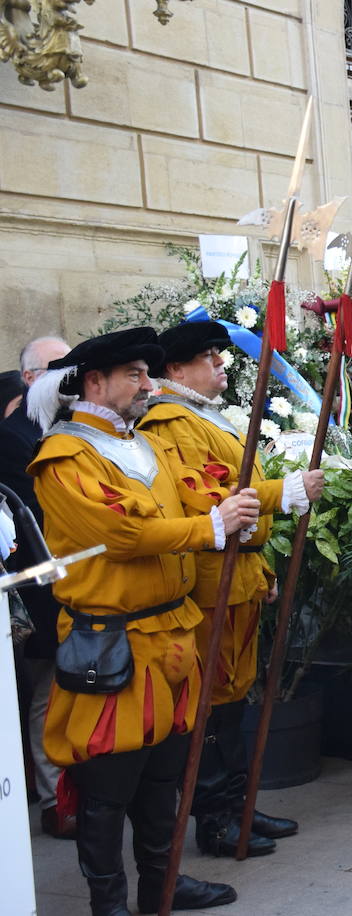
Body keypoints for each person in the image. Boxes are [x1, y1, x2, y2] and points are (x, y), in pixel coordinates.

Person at [26, 327, 257, 915]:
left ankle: (163, 890)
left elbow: (190, 501)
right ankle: (110, 906)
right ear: (94, 383)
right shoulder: (63, 459)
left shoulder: (142, 447)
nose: (146, 385)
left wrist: (254, 508)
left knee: (163, 783)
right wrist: (211, 528)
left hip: (171, 636)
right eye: (134, 374)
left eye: (146, 374)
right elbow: (123, 533)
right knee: (109, 791)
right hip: (113, 646)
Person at [137, 321, 323, 858]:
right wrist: (281, 491)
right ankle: (214, 816)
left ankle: (238, 805)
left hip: (237, 577)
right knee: (212, 706)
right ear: (175, 370)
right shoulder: (169, 422)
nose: (222, 365)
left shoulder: (200, 416)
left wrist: (259, 568)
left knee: (235, 699)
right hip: (210, 582)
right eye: (210, 358)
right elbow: (208, 496)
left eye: (220, 356)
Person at [0, 335, 72, 840]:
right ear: (29, 378)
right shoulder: (13, 437)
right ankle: (54, 798)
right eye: (55, 367)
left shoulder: (60, 425)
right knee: (50, 690)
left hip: (74, 581)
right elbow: (38, 520)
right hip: (43, 588)